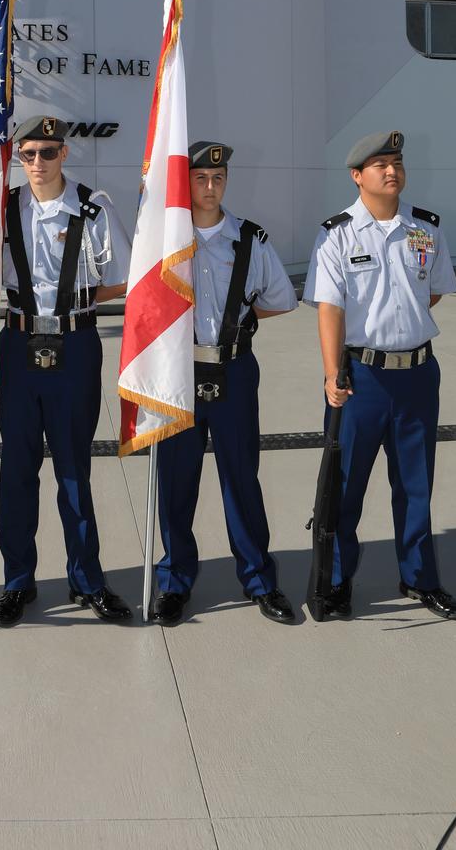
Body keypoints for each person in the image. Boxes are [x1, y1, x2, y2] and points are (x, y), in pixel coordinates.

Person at [302, 131, 456, 620]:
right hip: (363, 380)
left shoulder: (427, 229)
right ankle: (333, 584)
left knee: (416, 485)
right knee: (345, 487)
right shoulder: (336, 234)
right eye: (379, 165)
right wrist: (334, 374)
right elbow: (329, 310)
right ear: (357, 176)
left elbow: (431, 293)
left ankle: (420, 579)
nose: (391, 171)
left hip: (418, 374)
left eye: (396, 162)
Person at [0, 116, 134, 627]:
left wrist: (69, 304)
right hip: (17, 347)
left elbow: (119, 278)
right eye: (27, 154)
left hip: (74, 346)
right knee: (17, 469)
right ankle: (16, 580)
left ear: (64, 154)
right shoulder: (3, 207)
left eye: (46, 153)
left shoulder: (94, 207)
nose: (36, 163)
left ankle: (87, 579)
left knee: (74, 467)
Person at [152, 141, 298, 626]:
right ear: (185, 182)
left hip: (233, 370)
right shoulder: (165, 240)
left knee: (241, 477)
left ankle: (259, 578)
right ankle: (174, 581)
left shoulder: (250, 239)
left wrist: (237, 326)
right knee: (176, 481)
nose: (210, 187)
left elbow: (281, 298)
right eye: (200, 178)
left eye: (218, 178)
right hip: (179, 372)